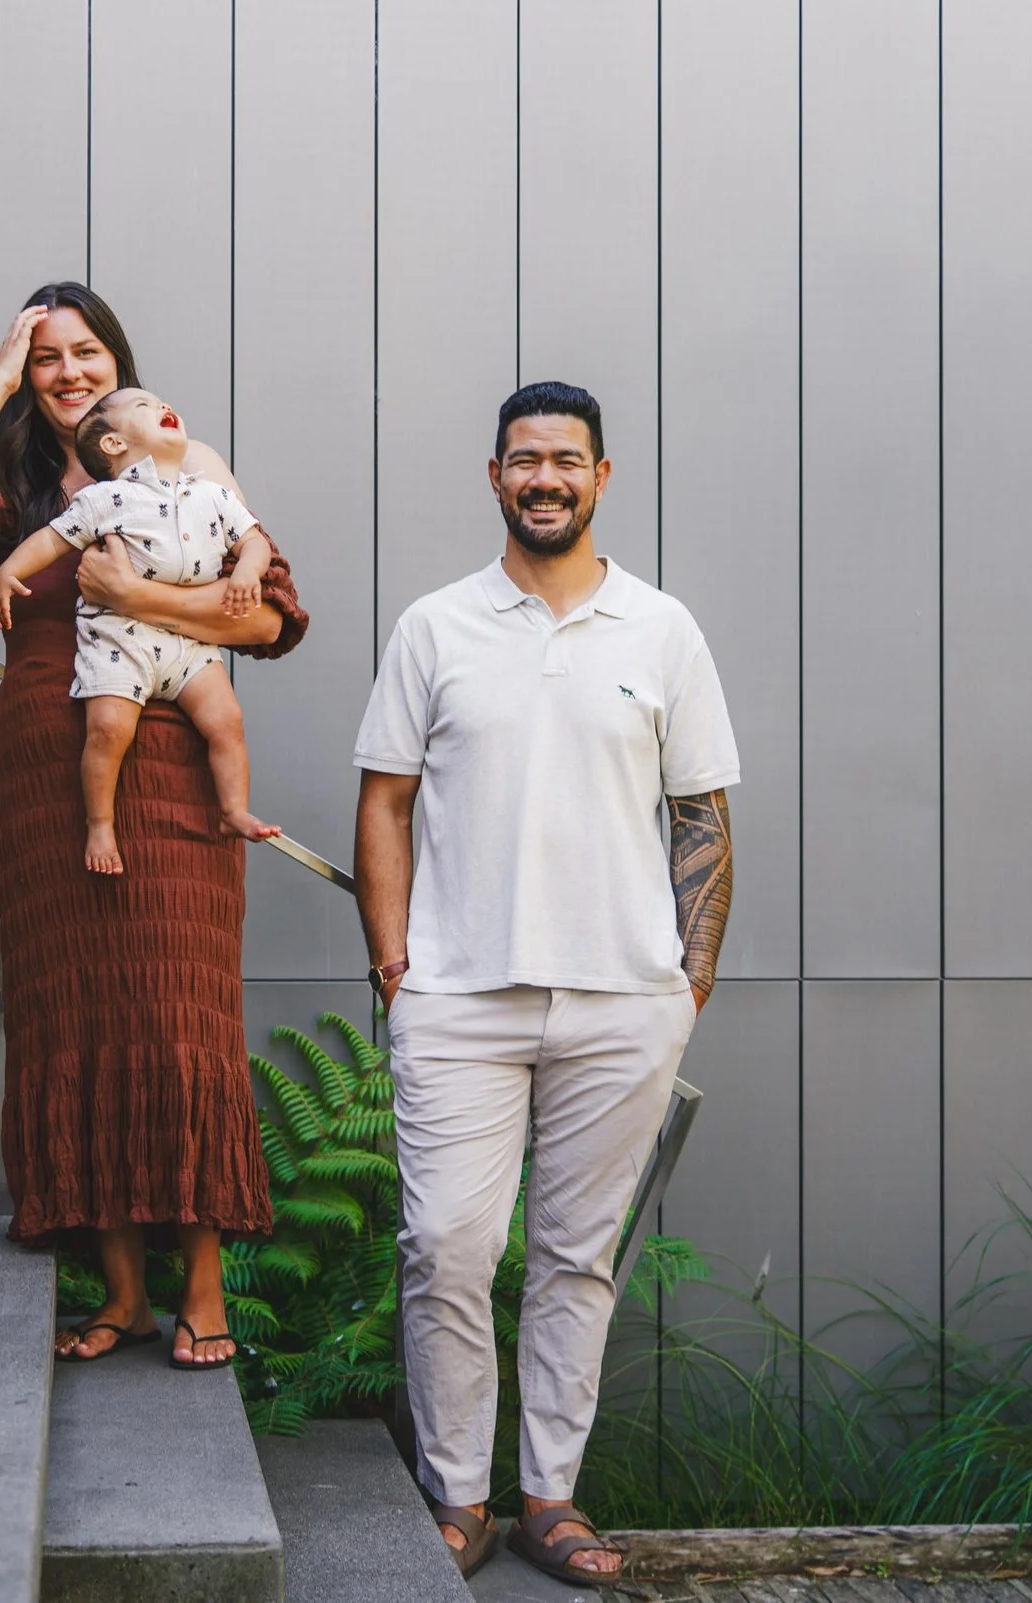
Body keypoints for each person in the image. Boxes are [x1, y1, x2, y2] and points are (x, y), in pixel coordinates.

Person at [0, 282, 308, 1370]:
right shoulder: (19, 491)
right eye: (44, 358)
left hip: (171, 755)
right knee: (74, 1014)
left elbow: (261, 613)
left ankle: (201, 1289)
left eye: (86, 350)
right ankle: (118, 1288)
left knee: (177, 1010)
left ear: (119, 357)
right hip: (51, 771)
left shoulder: (184, 463)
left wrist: (136, 596)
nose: (69, 370)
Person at [352, 382, 737, 1584]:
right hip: (460, 997)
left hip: (624, 1000)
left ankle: (548, 1498)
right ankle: (455, 1493)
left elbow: (701, 812)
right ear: (495, 475)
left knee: (576, 1257)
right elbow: (384, 798)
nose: (546, 477)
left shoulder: (659, 627)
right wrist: (394, 966)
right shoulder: (434, 625)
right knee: (446, 1246)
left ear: (601, 476)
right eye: (525, 459)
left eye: (566, 458)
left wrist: (690, 978)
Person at [0, 386, 280, 875]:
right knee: (107, 730)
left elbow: (254, 541)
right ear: (112, 445)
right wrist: (8, 572)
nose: (165, 407)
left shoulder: (214, 494)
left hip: (190, 644)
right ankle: (100, 825)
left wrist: (249, 571)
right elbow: (51, 540)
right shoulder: (106, 498)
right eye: (145, 407)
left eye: (165, 402)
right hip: (121, 640)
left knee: (226, 721)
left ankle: (232, 810)